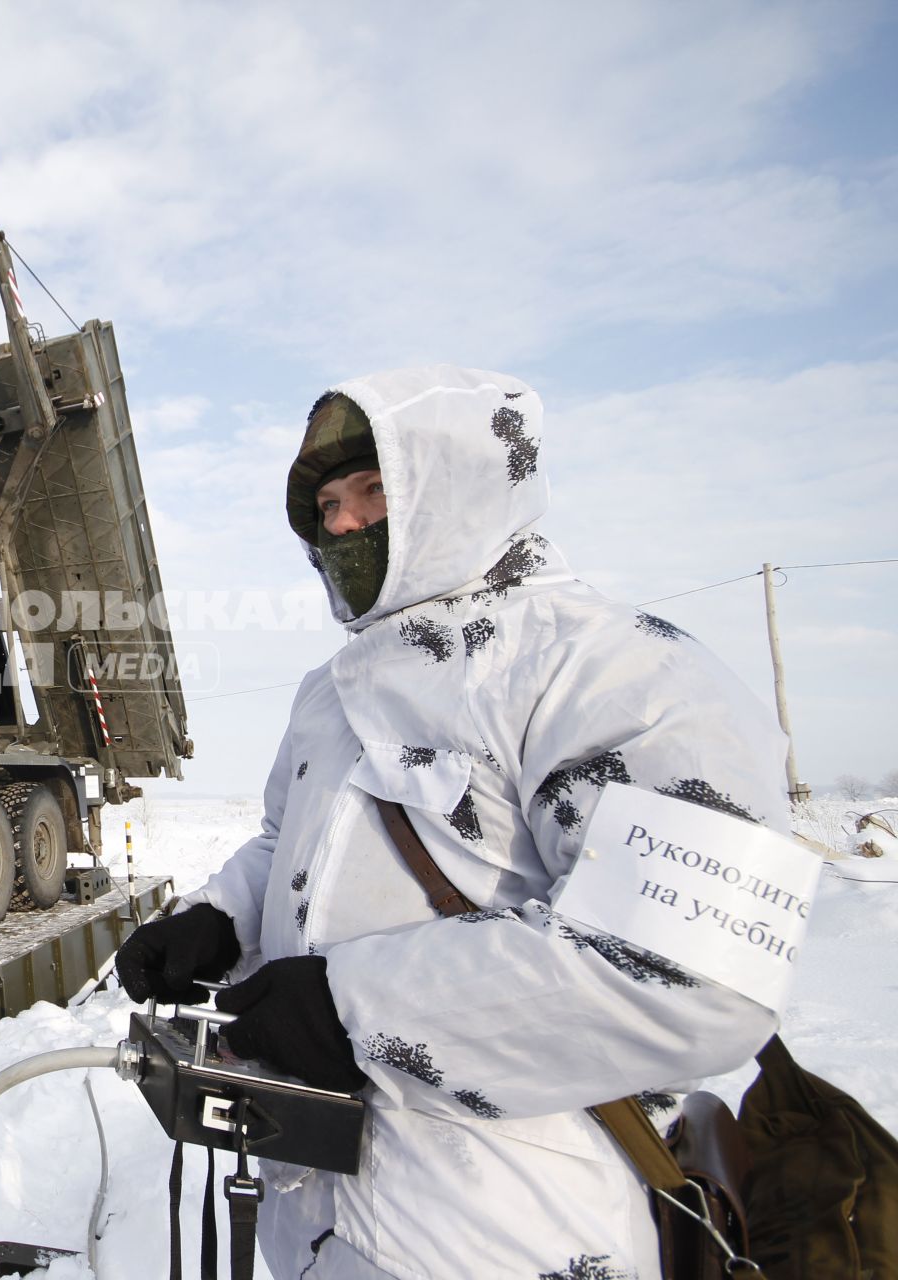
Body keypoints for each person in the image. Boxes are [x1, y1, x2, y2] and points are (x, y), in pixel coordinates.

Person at [116, 365, 788, 1279]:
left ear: (461, 491)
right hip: (308, 1209)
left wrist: (353, 1010)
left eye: (375, 489)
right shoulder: (330, 692)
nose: (344, 522)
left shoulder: (612, 673)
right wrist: (220, 918)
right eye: (326, 503)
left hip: (501, 1227)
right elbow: (288, 842)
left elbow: (695, 975)